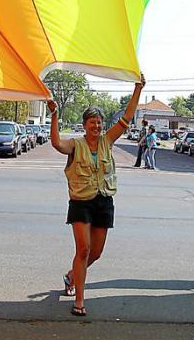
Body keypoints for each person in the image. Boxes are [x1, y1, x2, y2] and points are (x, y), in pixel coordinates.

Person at [49, 76, 145, 317]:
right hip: (81, 203)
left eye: (100, 122)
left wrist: (138, 88)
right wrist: (54, 116)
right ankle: (79, 299)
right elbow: (56, 143)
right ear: (85, 124)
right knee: (83, 249)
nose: (97, 126)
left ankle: (72, 275)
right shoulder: (75, 144)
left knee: (96, 252)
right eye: (93, 122)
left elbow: (126, 119)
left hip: (103, 201)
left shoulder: (107, 141)